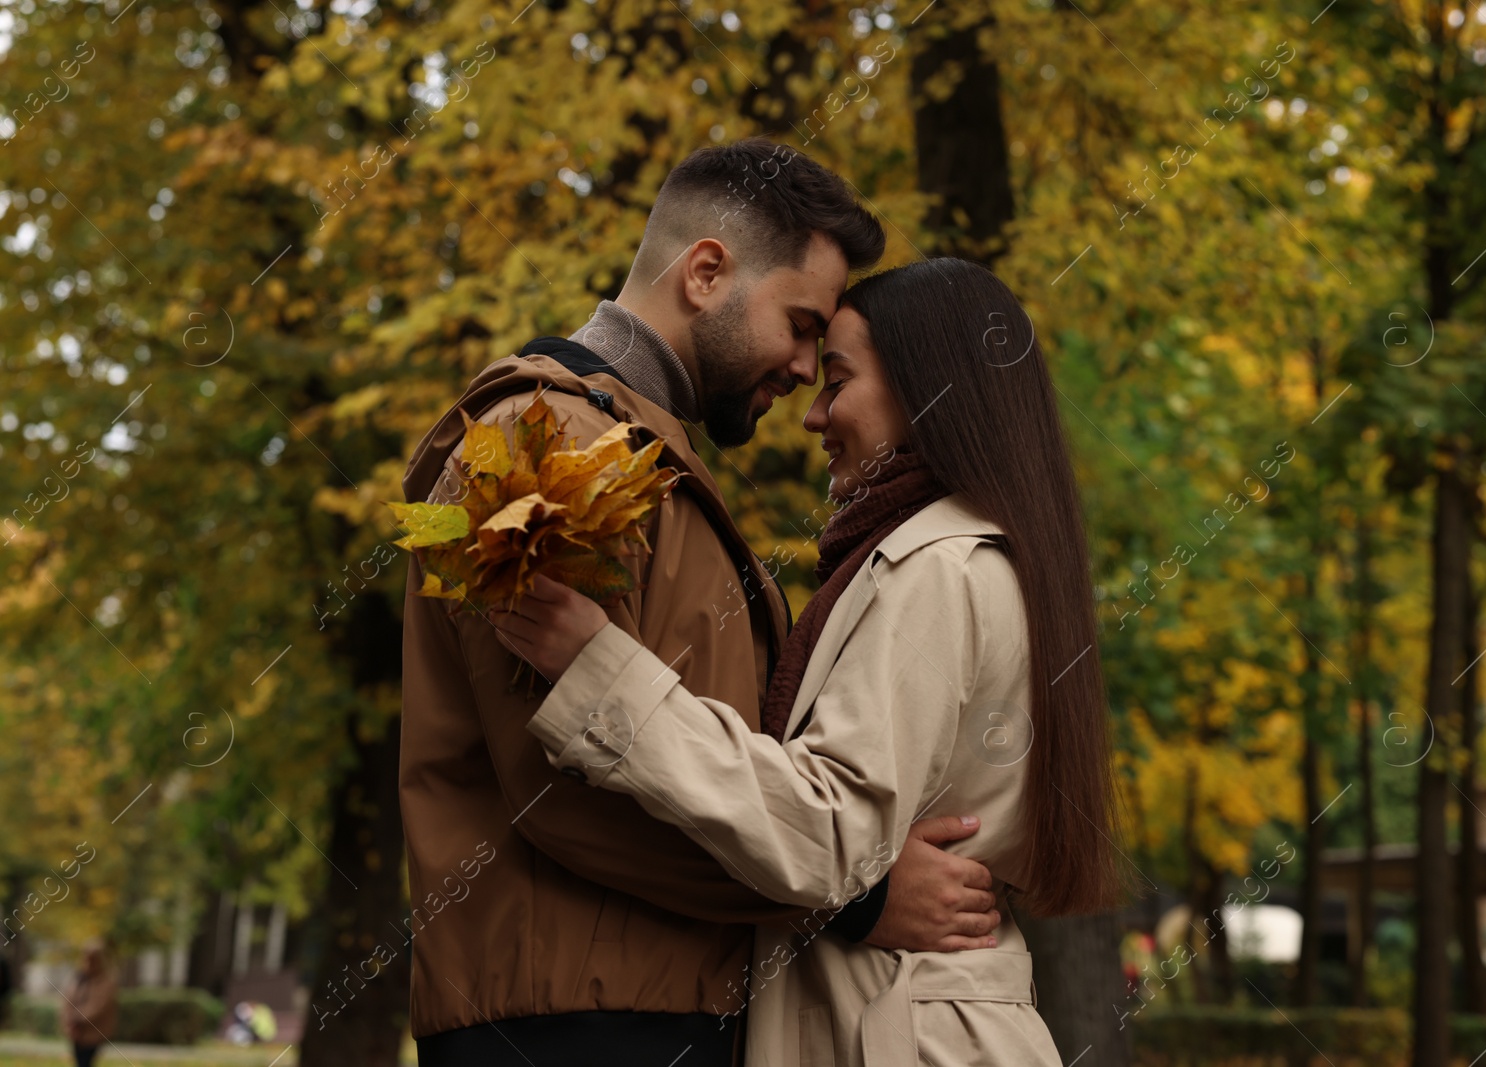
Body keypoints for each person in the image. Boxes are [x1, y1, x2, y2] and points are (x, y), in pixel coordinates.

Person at [399, 142, 1002, 1067]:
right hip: (571, 1029)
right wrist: (853, 896)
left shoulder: (638, 456)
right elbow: (558, 784)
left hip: (643, 1013)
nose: (806, 370)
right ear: (708, 272)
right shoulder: (546, 444)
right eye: (800, 325)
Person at [492, 258, 1126, 1066]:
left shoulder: (936, 565)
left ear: (927, 390)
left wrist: (600, 670)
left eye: (838, 380)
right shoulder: (971, 555)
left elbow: (831, 829)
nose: (814, 415)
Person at [59, 941, 116, 1067]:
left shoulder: (104, 981)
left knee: (85, 1062)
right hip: (75, 1031)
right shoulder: (79, 978)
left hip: (93, 1032)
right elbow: (67, 1000)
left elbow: (99, 1006)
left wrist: (78, 1018)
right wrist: (69, 1020)